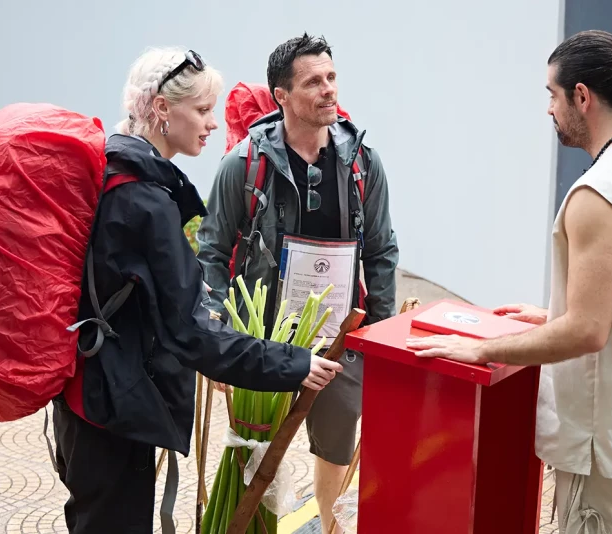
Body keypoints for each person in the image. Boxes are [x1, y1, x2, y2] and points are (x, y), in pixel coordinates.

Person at [407, 30, 612, 533]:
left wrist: (483, 351)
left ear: (581, 97)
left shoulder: (599, 192)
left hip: (601, 441)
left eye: (552, 94)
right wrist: (550, 317)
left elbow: (588, 331)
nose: (548, 108)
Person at [52, 47, 343, 534]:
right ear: (162, 109)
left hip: (88, 398)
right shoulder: (143, 200)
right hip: (114, 413)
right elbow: (192, 333)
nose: (213, 123)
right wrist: (296, 363)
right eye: (203, 110)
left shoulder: (114, 167)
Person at [197, 33, 399, 533]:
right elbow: (212, 251)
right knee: (259, 446)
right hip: (265, 340)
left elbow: (381, 251)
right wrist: (219, 335)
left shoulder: (363, 164)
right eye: (313, 82)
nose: (328, 89)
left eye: (331, 77)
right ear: (281, 96)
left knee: (336, 446)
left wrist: (380, 337)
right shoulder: (243, 166)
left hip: (339, 339)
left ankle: (329, 526)